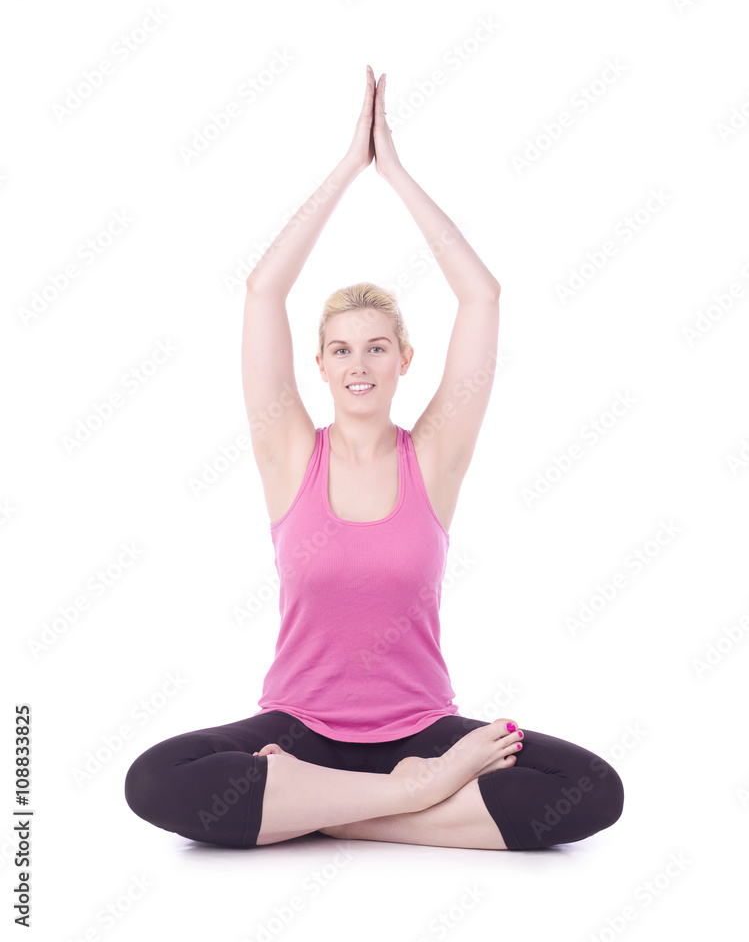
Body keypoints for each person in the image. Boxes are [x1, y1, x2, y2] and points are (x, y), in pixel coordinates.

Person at [124, 66, 624, 850]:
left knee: (591, 791)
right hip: (300, 732)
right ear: (318, 365)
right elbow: (262, 293)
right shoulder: (290, 454)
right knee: (156, 778)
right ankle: (407, 804)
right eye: (341, 349)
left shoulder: (435, 456)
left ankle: (334, 812)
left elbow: (482, 297)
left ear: (403, 360)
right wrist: (344, 169)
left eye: (377, 347)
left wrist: (394, 170)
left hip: (422, 731)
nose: (359, 364)